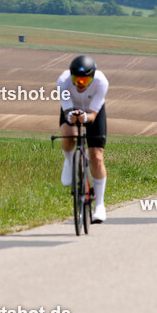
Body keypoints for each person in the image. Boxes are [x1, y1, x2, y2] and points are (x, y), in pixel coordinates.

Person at [58, 54, 109, 223]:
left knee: (96, 156)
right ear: (71, 76)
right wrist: (72, 116)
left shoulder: (101, 82)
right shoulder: (63, 81)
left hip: (93, 112)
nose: (80, 84)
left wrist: (86, 117)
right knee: (69, 136)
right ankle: (69, 161)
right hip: (71, 108)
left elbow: (93, 114)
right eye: (77, 80)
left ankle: (99, 205)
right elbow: (66, 110)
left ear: (92, 78)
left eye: (85, 80)